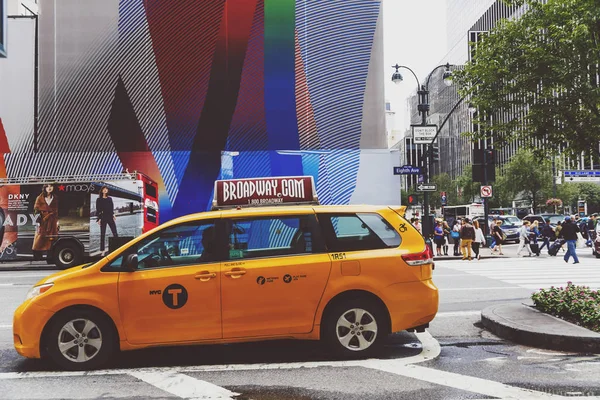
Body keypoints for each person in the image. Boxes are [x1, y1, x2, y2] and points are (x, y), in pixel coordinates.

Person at [32, 184, 59, 259]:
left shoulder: (55, 198)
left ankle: (50, 256)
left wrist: (57, 221)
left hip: (52, 220)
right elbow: (36, 210)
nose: (49, 188)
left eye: (51, 186)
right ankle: (37, 255)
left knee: (51, 238)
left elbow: (56, 210)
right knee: (40, 237)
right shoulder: (39, 198)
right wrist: (37, 221)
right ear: (44, 188)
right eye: (47, 186)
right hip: (42, 220)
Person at [96, 186, 118, 255]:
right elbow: (98, 209)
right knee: (102, 234)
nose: (105, 190)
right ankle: (102, 251)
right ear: (102, 191)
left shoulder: (110, 199)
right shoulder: (98, 199)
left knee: (115, 232)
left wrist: (113, 215)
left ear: (107, 191)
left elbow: (112, 208)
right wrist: (99, 219)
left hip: (110, 217)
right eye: (104, 189)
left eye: (106, 189)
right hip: (103, 217)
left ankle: (118, 248)